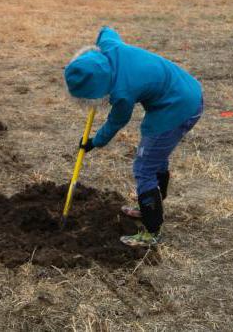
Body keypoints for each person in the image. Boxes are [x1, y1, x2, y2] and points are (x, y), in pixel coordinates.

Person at [64, 26, 203, 247]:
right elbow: (106, 30)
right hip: (188, 90)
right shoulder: (110, 47)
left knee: (144, 167)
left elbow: (116, 121)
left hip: (177, 107)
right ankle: (149, 206)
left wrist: (95, 142)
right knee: (155, 159)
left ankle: (152, 231)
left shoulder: (122, 93)